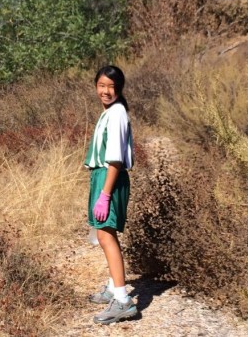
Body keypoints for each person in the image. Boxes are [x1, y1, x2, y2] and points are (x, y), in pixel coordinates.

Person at [84, 65, 137, 325]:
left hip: (110, 178)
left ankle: (123, 301)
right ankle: (112, 286)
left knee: (105, 234)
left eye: (111, 86)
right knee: (106, 234)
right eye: (101, 85)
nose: (106, 91)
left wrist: (105, 194)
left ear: (119, 88)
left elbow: (115, 159)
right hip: (102, 177)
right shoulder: (108, 111)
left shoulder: (117, 113)